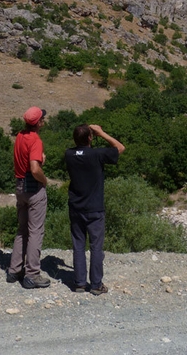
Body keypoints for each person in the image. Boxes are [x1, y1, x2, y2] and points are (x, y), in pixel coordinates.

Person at [65, 123, 125, 294]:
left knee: (78, 245)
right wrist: (102, 132)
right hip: (95, 208)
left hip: (76, 206)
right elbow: (120, 147)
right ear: (91, 137)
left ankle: (79, 283)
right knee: (96, 247)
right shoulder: (97, 154)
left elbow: (79, 149)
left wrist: (91, 135)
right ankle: (96, 284)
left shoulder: (68, 154)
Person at [7, 106, 51, 289]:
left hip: (19, 186)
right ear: (39, 122)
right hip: (33, 189)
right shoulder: (35, 140)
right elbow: (34, 168)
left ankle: (14, 270)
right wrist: (45, 180)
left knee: (22, 229)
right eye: (42, 119)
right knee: (35, 231)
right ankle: (32, 274)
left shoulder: (19, 136)